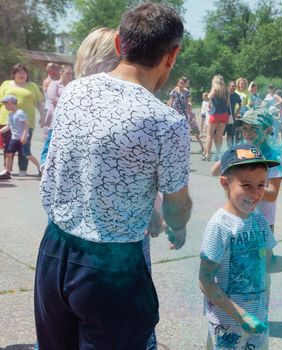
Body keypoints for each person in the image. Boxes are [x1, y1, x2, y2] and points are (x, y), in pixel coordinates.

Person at [35, 4, 192, 349]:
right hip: (112, 268)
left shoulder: (74, 92)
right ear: (172, 55)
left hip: (55, 252)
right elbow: (176, 206)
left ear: (120, 44)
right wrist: (178, 225)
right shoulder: (166, 122)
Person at [199, 143, 282, 350]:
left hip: (257, 319)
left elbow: (270, 263)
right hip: (227, 324)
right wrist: (240, 315)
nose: (256, 193)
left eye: (261, 185)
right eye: (246, 185)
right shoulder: (219, 226)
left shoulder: (258, 220)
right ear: (225, 183)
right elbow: (204, 280)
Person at [213, 108, 282, 232]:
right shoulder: (241, 151)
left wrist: (249, 186)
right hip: (239, 217)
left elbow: (272, 195)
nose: (247, 133)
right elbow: (214, 171)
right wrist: (232, 153)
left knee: (263, 252)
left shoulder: (273, 157)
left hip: (262, 222)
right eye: (245, 128)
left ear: (268, 131)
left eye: (254, 129)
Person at [0, 63, 44, 176]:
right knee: (8, 147)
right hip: (7, 120)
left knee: (24, 147)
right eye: (19, 72)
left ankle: (23, 170)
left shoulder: (32, 86)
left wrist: (43, 117)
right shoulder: (6, 84)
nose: (22, 74)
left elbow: (39, 102)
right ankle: (7, 170)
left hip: (26, 122)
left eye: (24, 72)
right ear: (13, 74)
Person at [0, 95, 40, 180]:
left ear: (10, 103)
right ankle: (7, 171)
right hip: (14, 138)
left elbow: (26, 125)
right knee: (8, 154)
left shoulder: (20, 113)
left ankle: (41, 168)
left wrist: (24, 136)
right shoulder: (10, 114)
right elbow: (8, 126)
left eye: (5, 104)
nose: (5, 106)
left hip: (22, 138)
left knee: (27, 155)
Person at [169, 76, 204, 154]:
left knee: (184, 130)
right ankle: (175, 147)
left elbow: (188, 101)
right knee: (175, 130)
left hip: (183, 113)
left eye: (183, 83)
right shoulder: (174, 91)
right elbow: (171, 102)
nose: (181, 84)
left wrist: (190, 109)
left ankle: (183, 147)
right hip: (175, 112)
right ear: (178, 83)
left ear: (184, 84)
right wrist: (170, 111)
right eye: (180, 83)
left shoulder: (186, 92)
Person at [204, 75, 229, 161]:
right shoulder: (225, 90)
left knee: (209, 135)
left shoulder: (215, 89)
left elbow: (209, 97)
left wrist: (209, 94)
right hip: (224, 114)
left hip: (215, 114)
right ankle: (217, 154)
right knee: (220, 135)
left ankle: (207, 154)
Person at [42, 65, 74, 130]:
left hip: (68, 116)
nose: (70, 75)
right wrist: (68, 102)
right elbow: (53, 97)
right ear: (61, 73)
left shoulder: (73, 86)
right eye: (67, 73)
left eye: (71, 74)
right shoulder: (55, 84)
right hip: (54, 115)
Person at [226, 80, 242, 147]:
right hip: (223, 115)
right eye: (232, 86)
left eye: (235, 86)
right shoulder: (224, 94)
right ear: (228, 86)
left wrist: (237, 112)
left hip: (231, 116)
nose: (234, 87)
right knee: (220, 133)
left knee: (230, 133)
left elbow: (240, 104)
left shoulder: (236, 96)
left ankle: (229, 148)